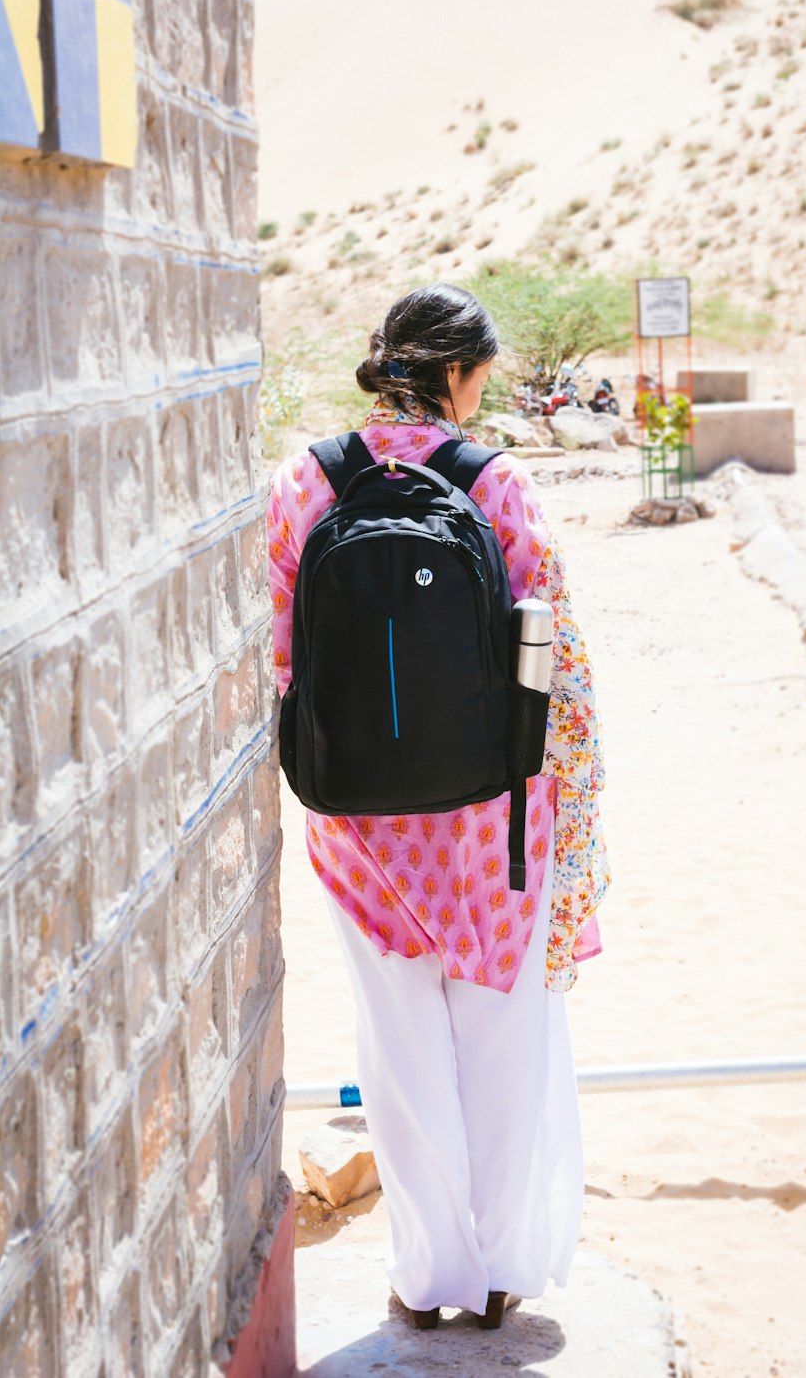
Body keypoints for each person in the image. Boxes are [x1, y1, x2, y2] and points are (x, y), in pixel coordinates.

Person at [267, 282, 611, 1329]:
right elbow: (556, 660)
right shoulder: (494, 481)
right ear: (459, 377)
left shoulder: (307, 480)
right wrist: (571, 809)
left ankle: (427, 1280)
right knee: (501, 1040)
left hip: (360, 825)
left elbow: (283, 650)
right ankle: (502, 1269)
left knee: (400, 1046)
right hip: (489, 820)